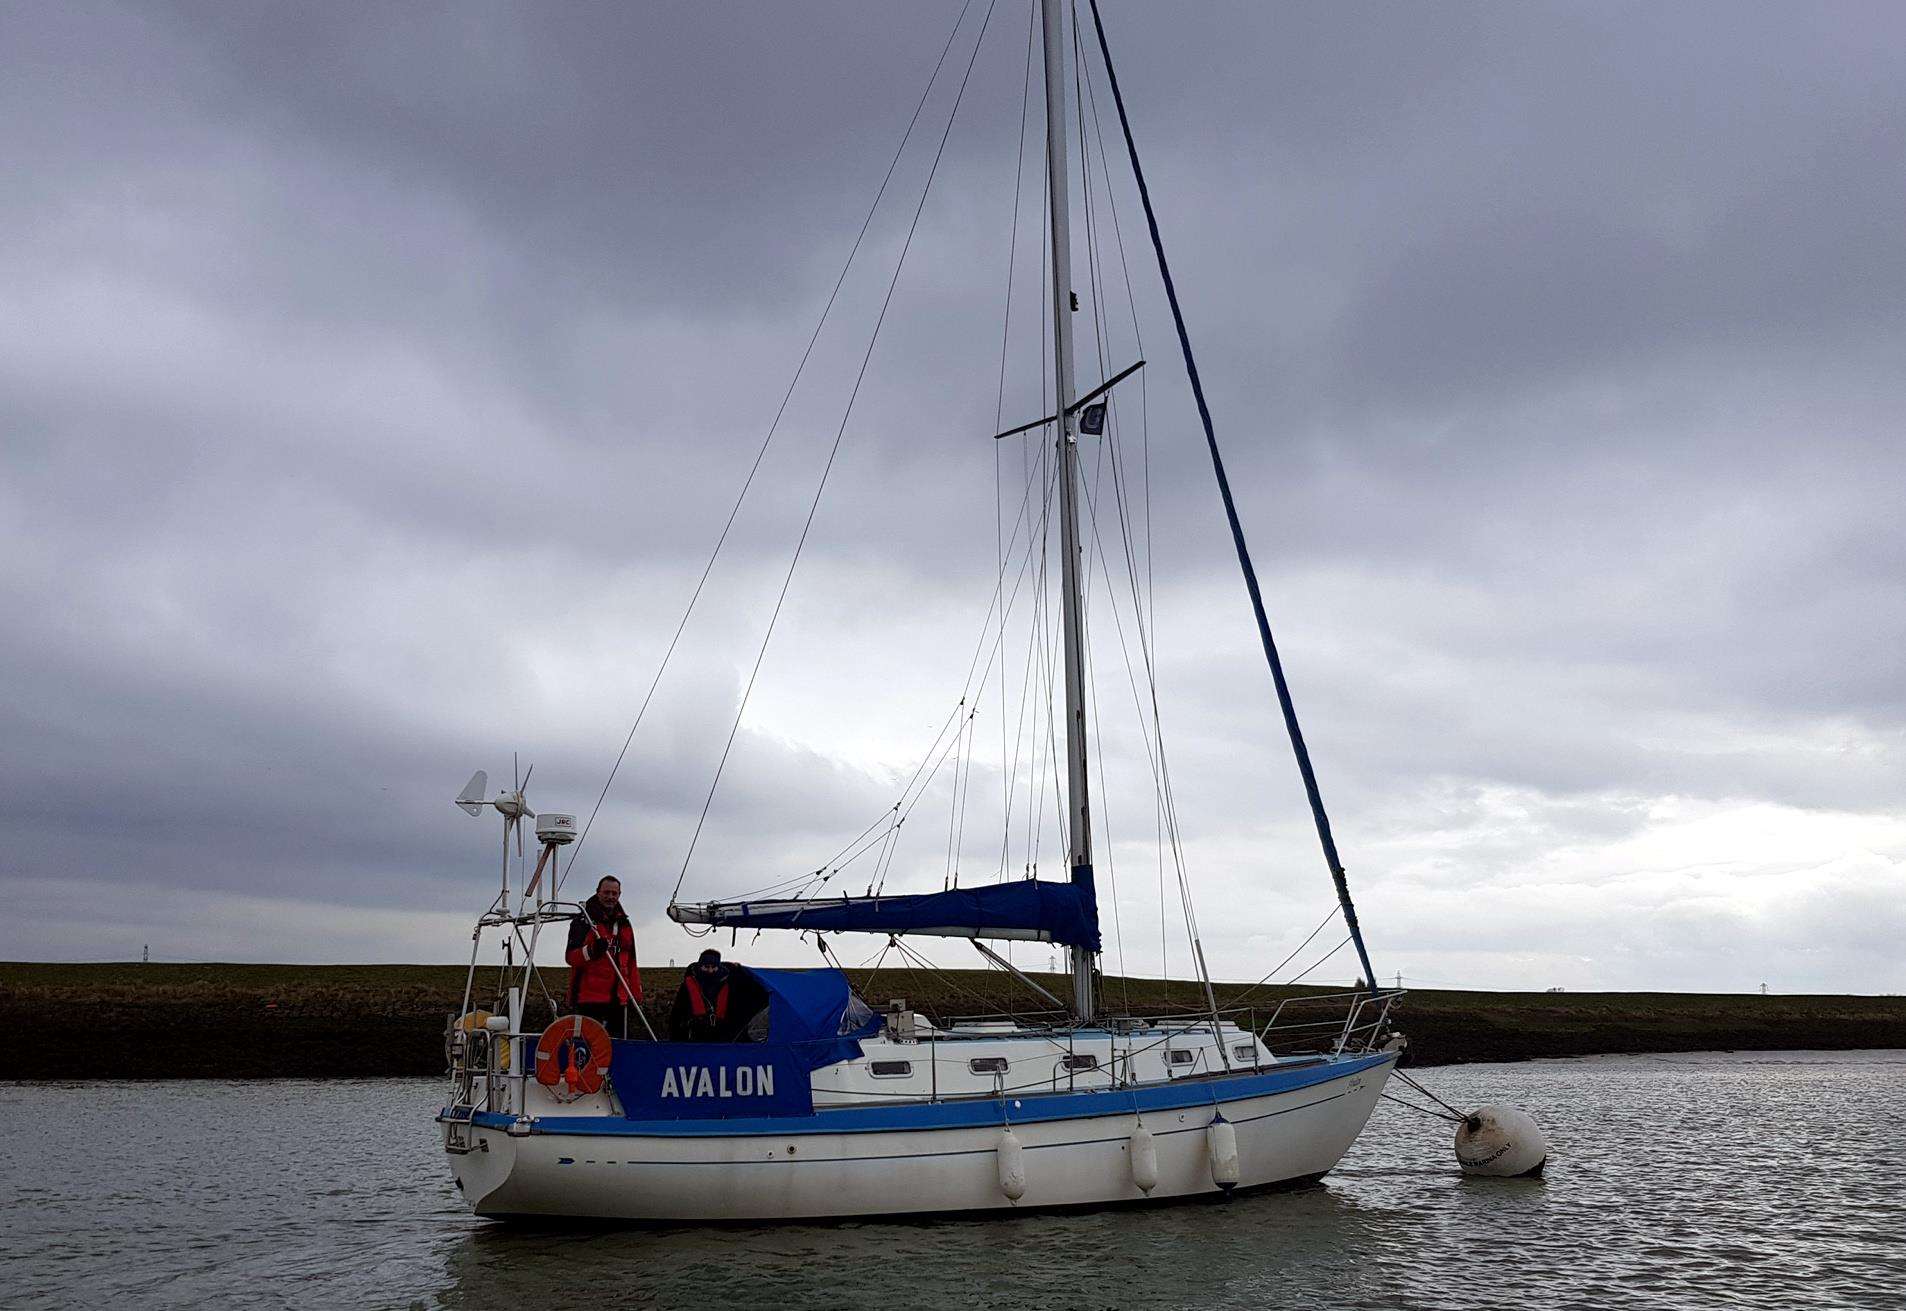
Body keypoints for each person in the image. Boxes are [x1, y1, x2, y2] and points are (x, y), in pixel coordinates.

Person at [565, 876, 641, 1038]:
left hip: (619, 1000)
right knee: (588, 1048)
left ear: (620, 895)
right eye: (606, 892)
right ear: (598, 893)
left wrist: (635, 996)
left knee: (618, 1048)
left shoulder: (624, 925)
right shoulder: (583, 921)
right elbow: (571, 957)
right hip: (588, 1000)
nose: (611, 897)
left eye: (615, 893)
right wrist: (592, 951)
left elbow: (631, 963)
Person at [669, 948, 737, 1042]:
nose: (710, 970)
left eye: (713, 967)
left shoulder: (727, 984)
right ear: (700, 966)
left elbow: (733, 1011)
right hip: (693, 1035)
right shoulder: (688, 985)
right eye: (706, 966)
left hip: (720, 1036)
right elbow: (677, 1012)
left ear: (718, 967)